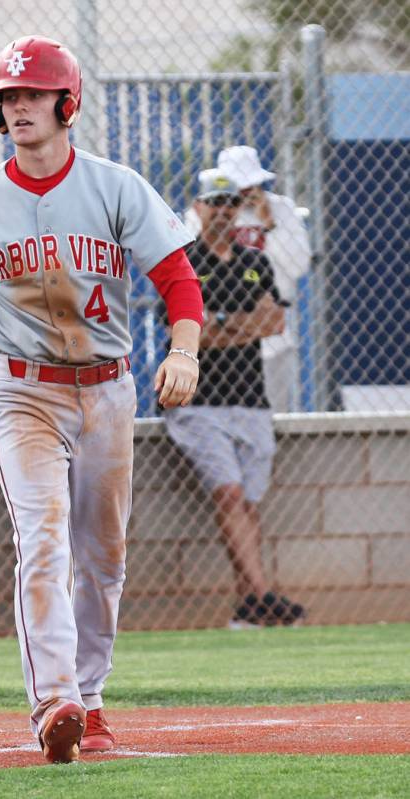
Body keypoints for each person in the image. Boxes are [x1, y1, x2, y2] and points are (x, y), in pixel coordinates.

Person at [0, 36, 203, 763]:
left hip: (108, 390)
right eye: (6, 98)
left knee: (102, 555)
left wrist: (183, 351)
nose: (16, 107)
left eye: (30, 95)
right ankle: (54, 700)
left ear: (66, 103)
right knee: (43, 539)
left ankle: (90, 699)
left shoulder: (115, 186)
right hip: (22, 390)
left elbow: (178, 280)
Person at [163, 169, 306, 629]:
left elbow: (274, 323)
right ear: (199, 208)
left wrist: (219, 325)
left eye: (231, 203)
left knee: (246, 502)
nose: (224, 211)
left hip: (250, 398)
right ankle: (263, 595)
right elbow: (185, 335)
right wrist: (239, 326)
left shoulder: (255, 260)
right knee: (228, 492)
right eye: (214, 203)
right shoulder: (183, 260)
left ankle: (248, 607)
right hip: (199, 400)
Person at [184, 145, 311, 411]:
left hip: (270, 330)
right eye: (236, 187)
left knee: (273, 415)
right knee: (217, 412)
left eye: (249, 186)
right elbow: (191, 263)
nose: (243, 194)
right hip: (219, 333)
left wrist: (269, 224)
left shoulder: (281, 209)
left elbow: (298, 266)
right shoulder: (207, 212)